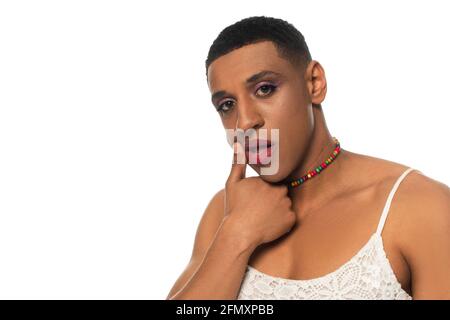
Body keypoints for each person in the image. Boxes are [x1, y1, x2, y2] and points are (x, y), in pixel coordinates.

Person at [166, 16, 450, 300]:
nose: (245, 122)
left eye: (265, 89)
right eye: (227, 105)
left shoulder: (418, 207)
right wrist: (237, 235)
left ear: (314, 83)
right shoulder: (224, 213)